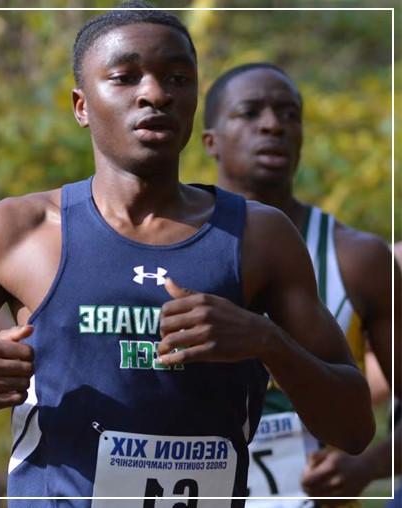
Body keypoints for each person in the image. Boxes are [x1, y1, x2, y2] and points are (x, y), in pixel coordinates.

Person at [0, 6, 375, 507]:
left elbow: (354, 428)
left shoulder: (259, 236)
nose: (155, 93)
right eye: (124, 77)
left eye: (178, 78)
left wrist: (267, 341)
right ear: (81, 105)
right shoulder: (11, 231)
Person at [202, 63, 401, 506]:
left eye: (289, 114)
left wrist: (368, 465)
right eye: (250, 113)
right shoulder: (162, 248)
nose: (273, 124)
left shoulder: (357, 257)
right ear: (210, 141)